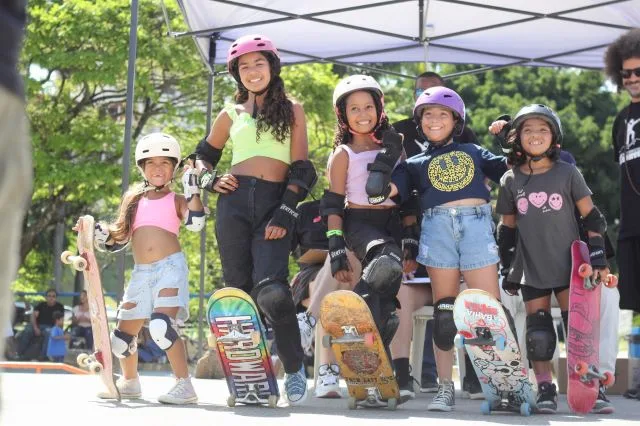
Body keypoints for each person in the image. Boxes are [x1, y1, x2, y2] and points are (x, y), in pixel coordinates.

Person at [193, 34, 317, 405]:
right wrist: (209, 180)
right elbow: (201, 156)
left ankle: (294, 368)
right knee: (238, 297)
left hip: (274, 203)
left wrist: (286, 210)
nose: (251, 71)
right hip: (232, 203)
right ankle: (249, 379)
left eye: (258, 64)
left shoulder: (293, 108)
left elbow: (302, 169)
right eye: (243, 66)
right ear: (236, 74)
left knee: (273, 292)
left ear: (272, 67)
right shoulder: (229, 113)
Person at [369, 86, 509, 411]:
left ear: (456, 120)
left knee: (487, 310)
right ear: (419, 122)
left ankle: (501, 384)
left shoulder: (474, 150)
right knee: (445, 314)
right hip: (437, 229)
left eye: (442, 114)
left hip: (476, 224)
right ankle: (445, 387)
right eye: (427, 114)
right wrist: (385, 160)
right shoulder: (414, 164)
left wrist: (509, 137)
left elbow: (511, 172)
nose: (434, 120)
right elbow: (385, 192)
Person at [490, 116, 621, 413]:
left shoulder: (567, 172)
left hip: (570, 267)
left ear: (555, 137)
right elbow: (506, 228)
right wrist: (507, 265)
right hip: (530, 266)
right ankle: (545, 387)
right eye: (528, 130)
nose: (535, 135)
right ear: (517, 138)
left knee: (579, 330)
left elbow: (593, 217)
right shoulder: (510, 180)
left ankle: (590, 383)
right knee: (539, 334)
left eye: (542, 130)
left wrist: (598, 257)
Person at [93, 132, 205, 404]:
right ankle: (130, 382)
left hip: (170, 268)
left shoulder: (178, 199)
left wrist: (193, 191)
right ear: (141, 167)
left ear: (174, 168)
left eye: (165, 163)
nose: (157, 168)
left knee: (161, 326)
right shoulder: (133, 199)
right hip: (141, 273)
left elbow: (196, 224)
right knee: (121, 337)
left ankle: (184, 385)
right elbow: (120, 235)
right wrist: (100, 235)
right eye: (151, 162)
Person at [391, 72, 482, 399]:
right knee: (398, 293)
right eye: (422, 95)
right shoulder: (398, 135)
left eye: (439, 99)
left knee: (470, 298)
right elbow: (391, 193)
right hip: (417, 246)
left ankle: (476, 376)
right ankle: (402, 376)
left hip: (459, 244)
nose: (434, 115)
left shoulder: (468, 143)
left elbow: (487, 186)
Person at [321, 74, 407, 391]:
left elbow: (406, 196)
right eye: (354, 109)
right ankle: (353, 311)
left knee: (387, 309)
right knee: (384, 263)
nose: (362, 114)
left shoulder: (394, 149)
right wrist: (336, 251)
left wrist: (410, 238)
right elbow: (331, 204)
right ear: (343, 115)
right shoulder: (344, 153)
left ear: (379, 108)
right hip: (359, 221)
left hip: (392, 223)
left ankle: (371, 366)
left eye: (368, 107)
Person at [289, 199, 362, 398]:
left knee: (340, 255)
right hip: (312, 274)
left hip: (356, 270)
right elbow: (283, 248)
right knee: (335, 286)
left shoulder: (362, 207)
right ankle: (328, 372)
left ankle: (308, 322)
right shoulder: (305, 209)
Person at [604, 31, 640, 340]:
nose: (631, 78)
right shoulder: (620, 120)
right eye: (626, 73)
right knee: (636, 303)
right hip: (630, 226)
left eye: (638, 72)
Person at [16, 289, 64, 361]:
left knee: (49, 333)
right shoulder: (41, 305)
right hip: (38, 325)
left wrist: (56, 329)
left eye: (53, 296)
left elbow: (60, 321)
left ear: (56, 298)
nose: (51, 298)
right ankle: (19, 354)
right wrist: (35, 328)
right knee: (27, 330)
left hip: (50, 327)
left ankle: (42, 357)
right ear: (46, 297)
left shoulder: (59, 307)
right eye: (49, 296)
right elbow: (33, 316)